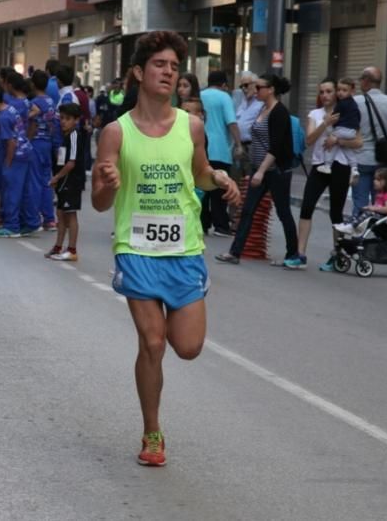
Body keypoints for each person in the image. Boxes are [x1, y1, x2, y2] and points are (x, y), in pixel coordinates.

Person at [92, 30, 240, 467]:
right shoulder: (115, 134)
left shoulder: (190, 126)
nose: (169, 73)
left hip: (183, 248)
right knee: (153, 342)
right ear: (138, 72)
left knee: (188, 347)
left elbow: (199, 174)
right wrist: (107, 184)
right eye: (160, 64)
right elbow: (101, 203)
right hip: (136, 248)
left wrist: (220, 180)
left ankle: (152, 389)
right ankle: (152, 431)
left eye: (175, 67)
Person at [216, 73, 301, 266]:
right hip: (259, 168)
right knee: (247, 210)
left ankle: (293, 255)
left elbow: (276, 146)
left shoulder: (279, 112)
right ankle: (234, 252)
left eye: (259, 87)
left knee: (283, 211)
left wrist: (261, 171)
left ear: (270, 90)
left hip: (275, 170)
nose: (256, 91)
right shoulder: (263, 108)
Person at [296, 78, 362, 271]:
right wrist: (325, 124)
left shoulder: (347, 111)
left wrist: (338, 141)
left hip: (340, 166)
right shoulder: (315, 114)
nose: (325, 95)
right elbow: (308, 140)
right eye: (321, 92)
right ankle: (300, 254)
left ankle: (337, 255)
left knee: (336, 212)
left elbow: (358, 142)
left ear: (337, 93)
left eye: (329, 91)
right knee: (307, 206)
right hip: (319, 165)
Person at [0, 83, 40, 238]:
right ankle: (30, 222)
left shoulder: (3, 116)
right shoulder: (11, 109)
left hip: (16, 156)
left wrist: (8, 163)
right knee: (25, 190)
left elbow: (10, 142)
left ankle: (12, 226)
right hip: (26, 152)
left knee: (12, 191)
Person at [352, 67, 387, 215]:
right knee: (382, 203)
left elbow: (350, 132)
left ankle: (358, 233)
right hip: (384, 162)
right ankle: (379, 235)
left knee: (360, 202)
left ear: (366, 81)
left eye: (361, 79)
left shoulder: (355, 102)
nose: (360, 82)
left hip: (361, 158)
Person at [200, 70, 241, 238]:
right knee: (219, 189)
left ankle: (202, 223)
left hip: (201, 147)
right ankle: (221, 225)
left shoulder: (200, 95)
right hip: (220, 149)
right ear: (224, 84)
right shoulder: (224, 97)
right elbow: (231, 122)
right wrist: (238, 144)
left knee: (202, 187)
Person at [45, 103, 86, 261]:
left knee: (71, 214)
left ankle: (72, 249)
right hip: (63, 181)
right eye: (61, 118)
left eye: (68, 119)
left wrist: (57, 177)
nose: (63, 121)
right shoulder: (66, 135)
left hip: (72, 181)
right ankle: (58, 246)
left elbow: (71, 162)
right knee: (60, 213)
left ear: (76, 120)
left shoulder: (74, 135)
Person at [27, 70, 58, 230]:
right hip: (47, 143)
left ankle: (33, 218)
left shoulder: (34, 102)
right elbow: (53, 125)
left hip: (36, 144)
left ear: (33, 84)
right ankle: (49, 218)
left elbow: (32, 122)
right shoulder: (51, 101)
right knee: (47, 181)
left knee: (34, 181)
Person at [316, 76, 360, 178]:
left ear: (352, 91)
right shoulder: (354, 104)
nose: (340, 93)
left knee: (330, 141)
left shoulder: (341, 104)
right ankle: (354, 167)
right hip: (352, 131)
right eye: (339, 90)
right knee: (346, 148)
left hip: (343, 130)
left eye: (344, 90)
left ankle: (327, 165)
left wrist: (327, 118)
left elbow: (333, 118)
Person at [334, 168, 387, 235]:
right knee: (360, 211)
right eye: (374, 179)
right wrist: (369, 207)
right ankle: (348, 224)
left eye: (378, 180)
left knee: (369, 213)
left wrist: (373, 208)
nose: (374, 181)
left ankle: (352, 226)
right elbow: (378, 206)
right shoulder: (380, 194)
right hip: (382, 217)